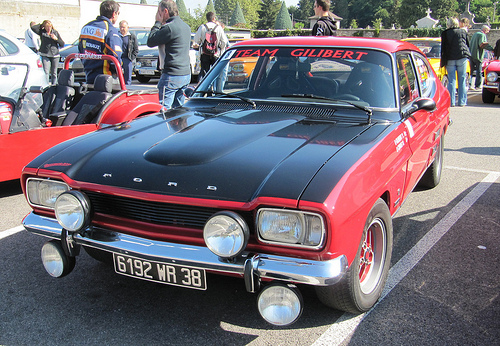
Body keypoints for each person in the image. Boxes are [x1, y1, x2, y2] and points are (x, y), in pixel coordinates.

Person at [147, 0, 191, 109]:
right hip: (185, 73)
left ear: (165, 11)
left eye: (159, 12)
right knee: (179, 111)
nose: (158, 15)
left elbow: (150, 41)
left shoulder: (169, 28)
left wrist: (157, 22)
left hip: (172, 75)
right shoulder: (186, 27)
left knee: (163, 111)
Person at [79, 0, 122, 84]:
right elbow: (116, 55)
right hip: (106, 78)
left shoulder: (86, 27)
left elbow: (81, 49)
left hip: (89, 73)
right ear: (114, 14)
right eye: (118, 13)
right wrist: (116, 71)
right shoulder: (110, 30)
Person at [440, 17, 470, 107]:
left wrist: (443, 61)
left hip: (450, 58)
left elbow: (443, 48)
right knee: (462, 79)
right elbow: (467, 44)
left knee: (451, 80)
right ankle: (462, 102)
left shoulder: (445, 33)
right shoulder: (463, 32)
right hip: (462, 57)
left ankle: (451, 102)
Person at [194, 12, 229, 80]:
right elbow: (224, 41)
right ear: (214, 18)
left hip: (204, 53)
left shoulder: (202, 27)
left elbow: (197, 40)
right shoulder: (218, 28)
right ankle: (214, 88)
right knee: (216, 73)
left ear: (207, 18)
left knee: (205, 73)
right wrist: (220, 48)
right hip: (216, 53)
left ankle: (206, 89)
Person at [31, 20, 65, 84]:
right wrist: (41, 25)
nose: (49, 28)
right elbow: (33, 28)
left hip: (55, 55)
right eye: (47, 27)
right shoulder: (42, 32)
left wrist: (56, 39)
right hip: (45, 54)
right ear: (44, 27)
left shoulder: (55, 32)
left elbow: (62, 44)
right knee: (46, 71)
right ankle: (46, 85)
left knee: (54, 72)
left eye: (50, 26)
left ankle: (54, 85)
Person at [469, 25, 494, 90]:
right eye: (488, 30)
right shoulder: (482, 35)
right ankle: (478, 85)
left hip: (471, 55)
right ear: (485, 30)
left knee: (471, 71)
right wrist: (492, 49)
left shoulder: (475, 34)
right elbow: (482, 44)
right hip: (478, 56)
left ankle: (469, 84)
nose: (488, 32)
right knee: (479, 71)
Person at [119, 20, 139, 86]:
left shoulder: (131, 36)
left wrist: (131, 58)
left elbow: (136, 49)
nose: (122, 29)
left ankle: (127, 90)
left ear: (127, 27)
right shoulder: (117, 36)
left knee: (127, 78)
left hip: (127, 59)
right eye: (121, 27)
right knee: (118, 77)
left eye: (123, 27)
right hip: (118, 59)